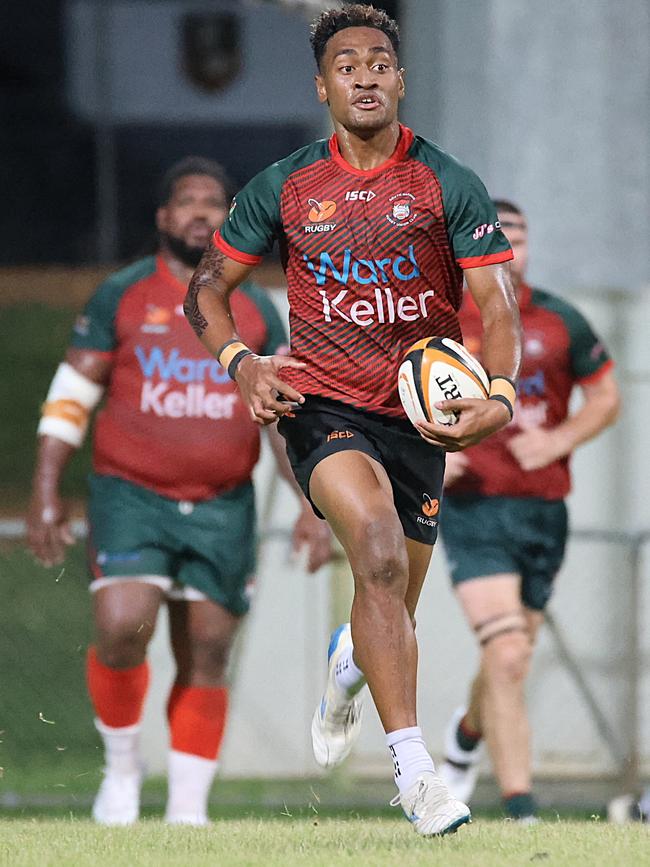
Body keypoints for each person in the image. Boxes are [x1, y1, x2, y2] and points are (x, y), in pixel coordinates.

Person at [184, 6, 522, 837]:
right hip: (321, 403)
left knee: (391, 607)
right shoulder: (288, 185)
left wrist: (501, 394)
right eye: (347, 65)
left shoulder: (446, 181)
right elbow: (207, 292)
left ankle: (347, 666)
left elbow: (496, 306)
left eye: (380, 62)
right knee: (371, 545)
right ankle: (417, 774)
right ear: (323, 86)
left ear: (401, 81)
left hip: (421, 416)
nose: (365, 75)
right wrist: (243, 364)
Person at [26, 156, 331, 826]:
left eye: (215, 201)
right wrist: (46, 486)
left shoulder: (253, 307)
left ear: (232, 219)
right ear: (163, 218)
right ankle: (123, 771)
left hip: (222, 502)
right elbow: (72, 396)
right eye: (188, 201)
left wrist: (313, 504)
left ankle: (189, 806)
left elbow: (282, 420)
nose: (202, 211)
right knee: (120, 627)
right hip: (132, 495)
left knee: (210, 648)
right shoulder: (124, 295)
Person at [438, 199, 620, 821]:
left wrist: (562, 439)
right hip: (473, 508)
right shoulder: (441, 318)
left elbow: (605, 396)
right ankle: (522, 810)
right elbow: (395, 400)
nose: (509, 250)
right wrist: (433, 456)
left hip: (543, 512)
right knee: (510, 654)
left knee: (508, 659)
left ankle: (464, 738)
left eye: (518, 237)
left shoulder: (560, 319)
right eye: (497, 238)